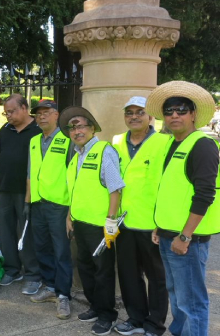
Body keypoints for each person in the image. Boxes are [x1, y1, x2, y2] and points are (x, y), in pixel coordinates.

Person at [146, 81, 220, 336]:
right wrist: (161, 227)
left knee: (192, 302)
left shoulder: (202, 145)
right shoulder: (173, 144)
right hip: (170, 234)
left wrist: (185, 235)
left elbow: (205, 195)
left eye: (181, 109)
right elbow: (171, 190)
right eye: (169, 111)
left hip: (188, 240)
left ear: (193, 114)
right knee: (177, 295)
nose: (174, 115)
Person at [60, 106, 125, 336]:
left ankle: (107, 315)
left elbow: (115, 188)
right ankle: (96, 307)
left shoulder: (103, 151)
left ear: (92, 127)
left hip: (99, 225)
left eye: (80, 125)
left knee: (103, 271)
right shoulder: (76, 155)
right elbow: (76, 191)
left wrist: (111, 221)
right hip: (80, 222)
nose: (76, 131)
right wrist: (69, 216)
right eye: (72, 127)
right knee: (85, 268)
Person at [111, 97, 169, 336]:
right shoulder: (115, 142)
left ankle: (154, 325)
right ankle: (135, 319)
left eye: (140, 112)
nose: (134, 116)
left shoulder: (164, 142)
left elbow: (167, 184)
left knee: (157, 277)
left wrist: (161, 223)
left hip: (151, 223)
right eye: (129, 112)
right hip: (124, 222)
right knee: (128, 275)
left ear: (150, 117)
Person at [0, 93, 43, 294]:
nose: (8, 115)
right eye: (6, 112)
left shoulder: (38, 131)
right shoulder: (5, 130)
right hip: (4, 189)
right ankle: (12, 269)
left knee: (27, 232)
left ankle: (33, 275)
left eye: (12, 111)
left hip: (26, 190)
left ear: (25, 108)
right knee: (4, 231)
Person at [26, 100, 74, 319]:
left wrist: (72, 210)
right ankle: (50, 286)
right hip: (38, 203)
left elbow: (75, 176)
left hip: (59, 205)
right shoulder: (34, 141)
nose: (41, 117)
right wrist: (28, 202)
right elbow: (30, 174)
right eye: (38, 114)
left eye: (46, 113)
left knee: (61, 250)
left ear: (57, 115)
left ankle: (63, 295)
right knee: (42, 247)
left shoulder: (68, 140)